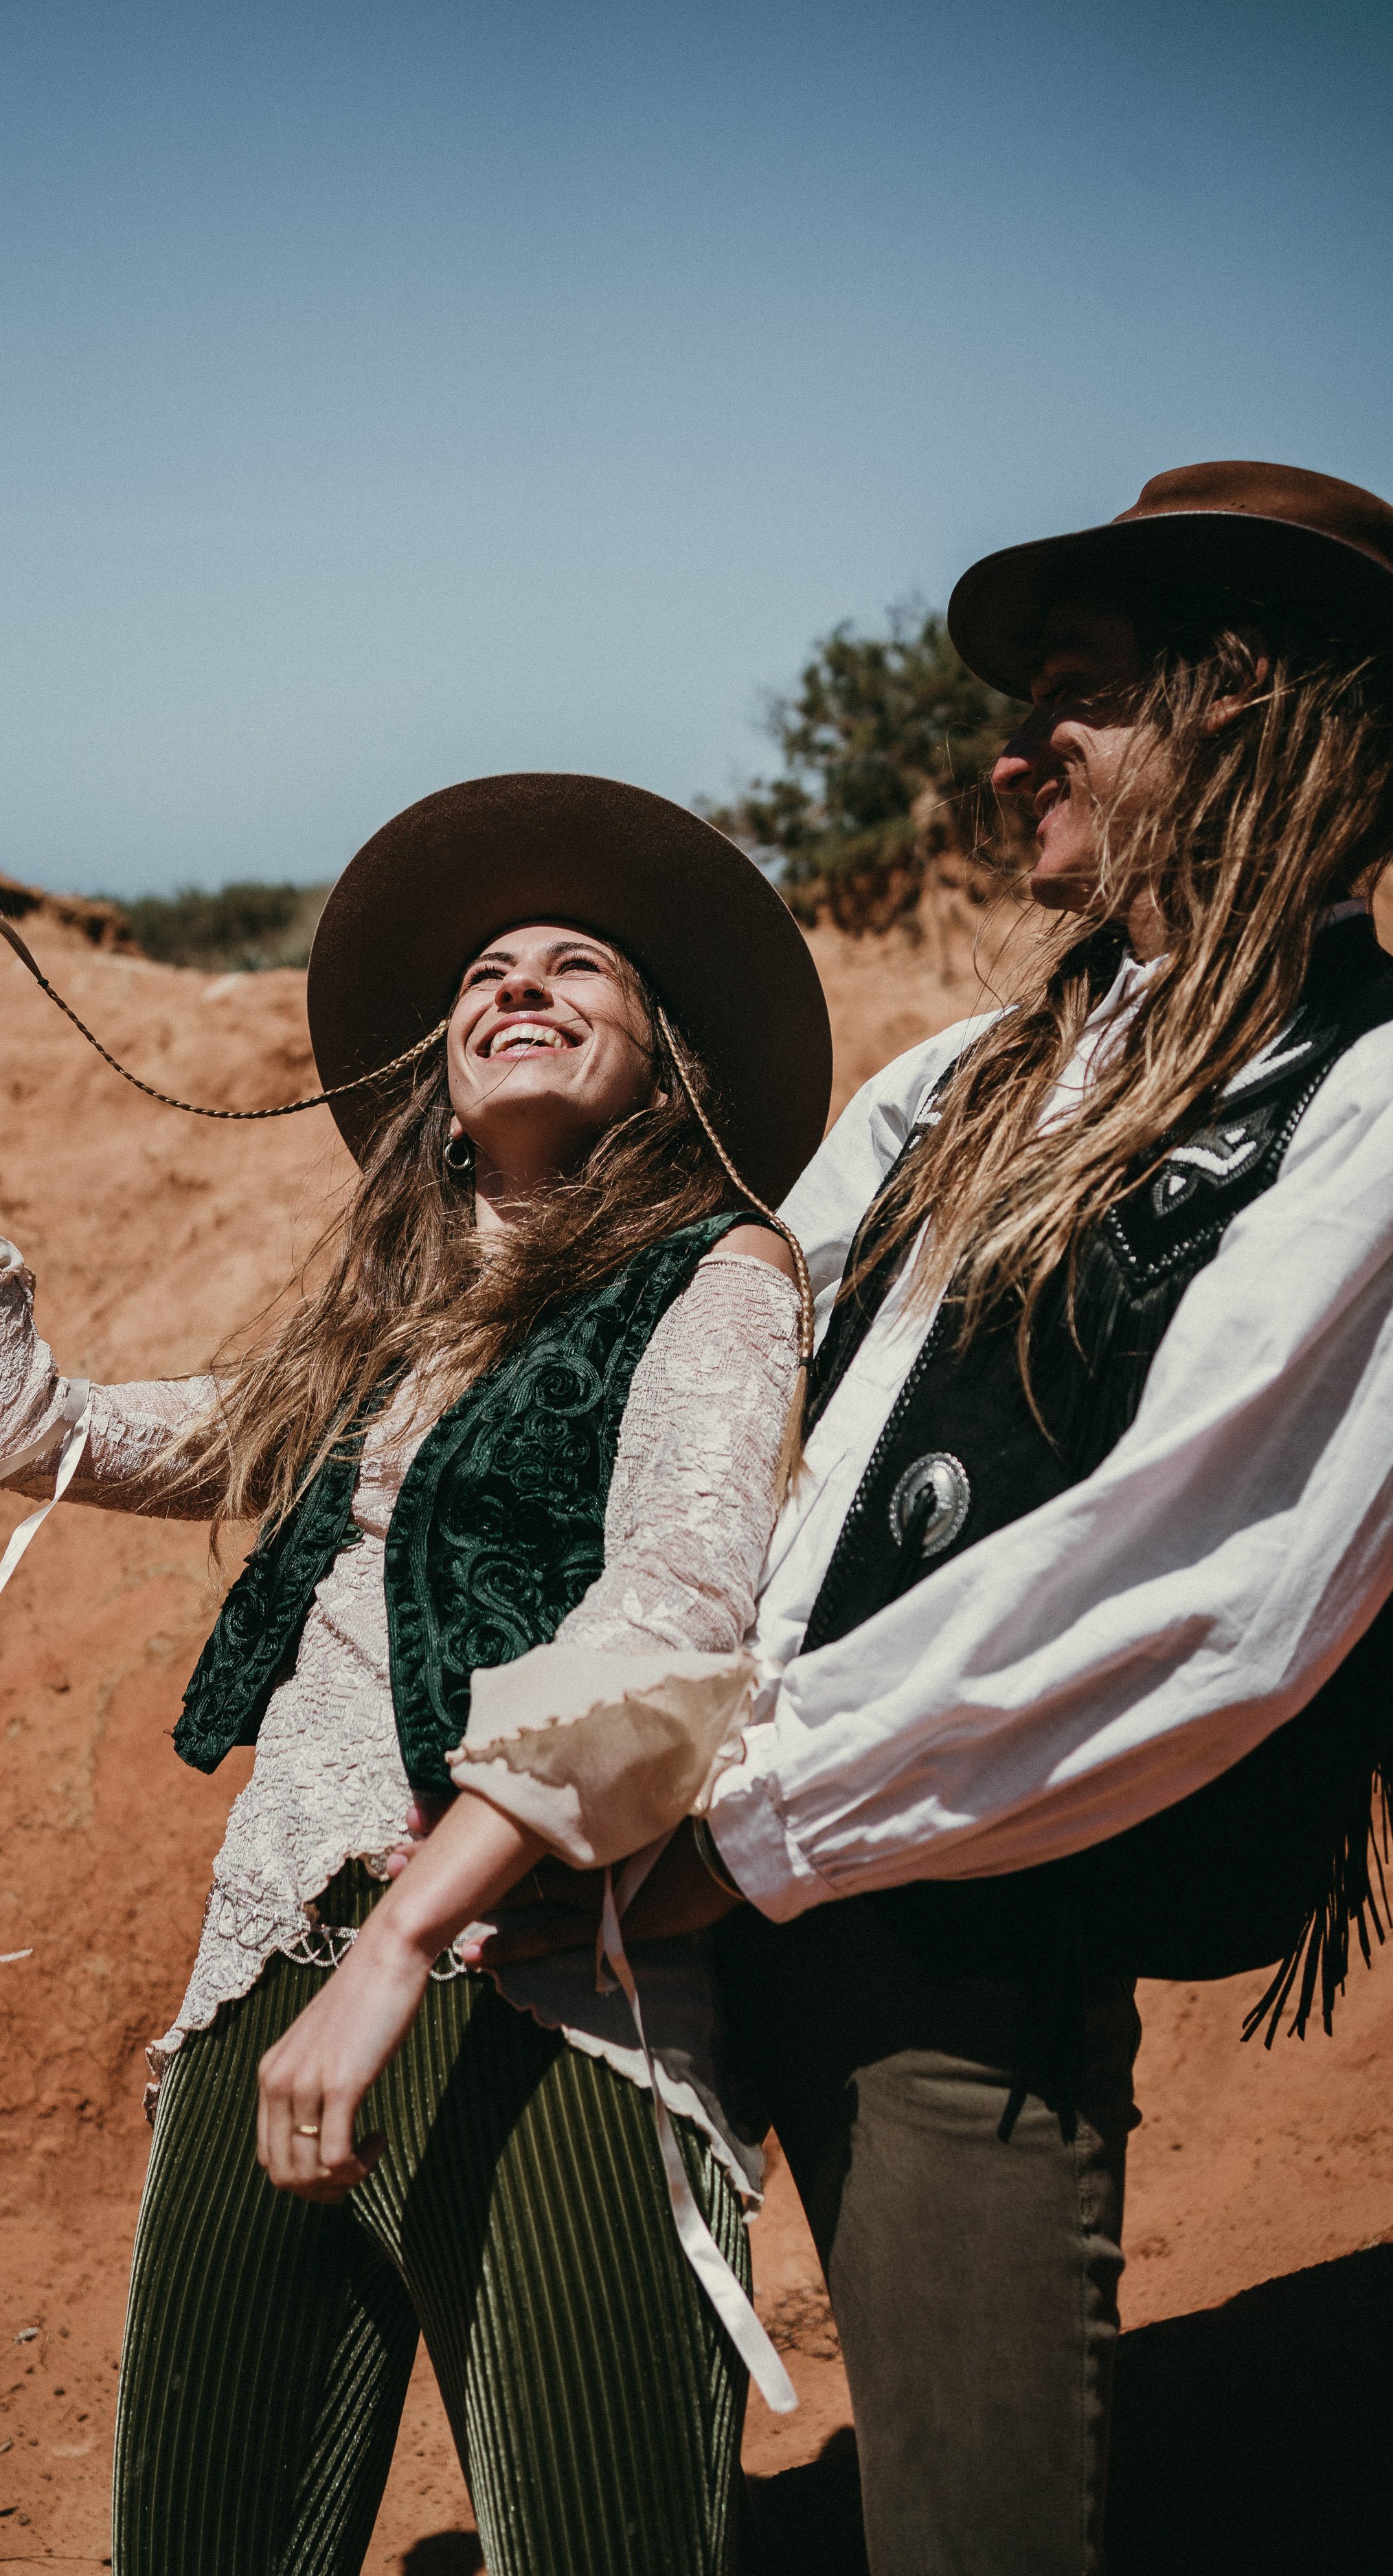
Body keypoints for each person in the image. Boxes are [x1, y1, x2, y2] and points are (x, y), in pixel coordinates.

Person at [479, 462, 1393, 2572]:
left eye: (1071, 696)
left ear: (1242, 702)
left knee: (974, 2528)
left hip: (953, 1931)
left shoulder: (1362, 1095)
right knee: (608, 2471)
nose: (1005, 753)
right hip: (698, 1858)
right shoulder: (969, 1068)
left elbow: (1203, 1583)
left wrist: (745, 1825)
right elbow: (722, 1407)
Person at [0, 773, 831, 2576]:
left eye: (576, 965)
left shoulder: (718, 1279)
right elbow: (20, 1425)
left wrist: (399, 1946)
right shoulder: (366, 1346)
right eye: (485, 974)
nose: (517, 983)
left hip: (553, 2007)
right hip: (262, 1988)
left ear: (663, 1054)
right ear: (434, 1083)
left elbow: (674, 1618)